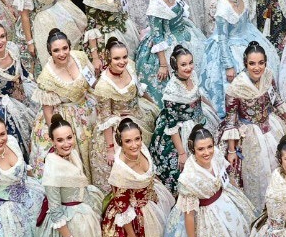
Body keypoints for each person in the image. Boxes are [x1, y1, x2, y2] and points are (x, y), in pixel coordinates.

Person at [221, 42, 286, 211]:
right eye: (252, 63)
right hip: (249, 133)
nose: (257, 67)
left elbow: (276, 99)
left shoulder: (268, 76)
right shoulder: (236, 87)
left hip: (271, 125)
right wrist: (232, 151)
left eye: (261, 63)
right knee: (258, 173)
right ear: (245, 64)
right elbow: (231, 120)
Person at [198, 0, 279, 113]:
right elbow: (222, 39)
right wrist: (228, 65)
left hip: (247, 35)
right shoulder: (223, 8)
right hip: (229, 47)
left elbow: (246, 21)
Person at [88, 37, 158, 187]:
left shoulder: (130, 67)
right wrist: (110, 148)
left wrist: (153, 104)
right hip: (117, 126)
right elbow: (106, 118)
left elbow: (139, 89)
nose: (122, 62)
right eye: (116, 58)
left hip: (139, 115)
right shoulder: (104, 86)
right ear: (108, 59)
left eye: (125, 57)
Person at [34, 31, 99, 183]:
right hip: (64, 117)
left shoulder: (80, 58)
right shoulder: (47, 77)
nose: (62, 53)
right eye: (56, 50)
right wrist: (56, 135)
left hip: (88, 108)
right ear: (50, 52)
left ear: (70, 47)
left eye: (65, 48)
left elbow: (92, 82)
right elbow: (48, 111)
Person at [151, 46, 219, 191]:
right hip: (181, 128)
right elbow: (172, 125)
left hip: (200, 119)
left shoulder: (192, 75)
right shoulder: (171, 90)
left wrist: (210, 106)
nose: (188, 68)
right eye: (183, 65)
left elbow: (197, 95)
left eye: (190, 63)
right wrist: (182, 153)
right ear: (175, 66)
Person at [135, 0, 204, 102]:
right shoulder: (156, 5)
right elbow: (157, 36)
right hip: (167, 43)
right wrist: (163, 64)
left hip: (184, 33)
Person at [0, 21, 42, 158]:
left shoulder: (12, 48)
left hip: (24, 92)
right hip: (5, 105)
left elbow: (22, 72)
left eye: (2, 36)